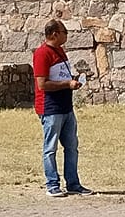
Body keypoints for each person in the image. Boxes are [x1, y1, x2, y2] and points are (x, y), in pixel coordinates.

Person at [32, 16, 89, 197]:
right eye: (65, 32)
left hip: (66, 107)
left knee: (71, 147)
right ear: (55, 34)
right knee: (50, 148)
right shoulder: (42, 53)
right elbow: (42, 84)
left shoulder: (60, 51)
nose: (67, 35)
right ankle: (52, 184)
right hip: (50, 108)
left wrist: (73, 81)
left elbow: (60, 75)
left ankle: (73, 183)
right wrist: (67, 84)